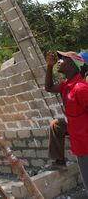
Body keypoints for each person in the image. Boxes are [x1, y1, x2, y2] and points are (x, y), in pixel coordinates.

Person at [45, 50, 88, 194]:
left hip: (85, 144)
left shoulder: (80, 89)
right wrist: (49, 66)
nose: (59, 61)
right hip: (77, 138)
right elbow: (49, 88)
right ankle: (59, 161)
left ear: (71, 64)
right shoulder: (67, 85)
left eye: (62, 59)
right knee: (56, 125)